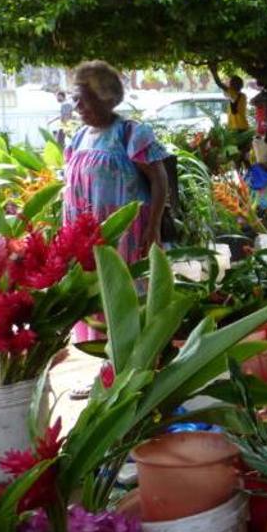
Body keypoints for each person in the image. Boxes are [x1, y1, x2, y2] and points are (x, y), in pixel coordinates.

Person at [64, 61, 170, 397]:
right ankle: (105, 374)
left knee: (127, 299)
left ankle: (137, 373)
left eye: (83, 99)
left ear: (106, 97)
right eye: (75, 99)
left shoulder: (130, 133)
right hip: (87, 238)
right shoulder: (79, 136)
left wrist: (152, 229)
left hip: (125, 237)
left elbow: (159, 179)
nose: (77, 107)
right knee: (97, 303)